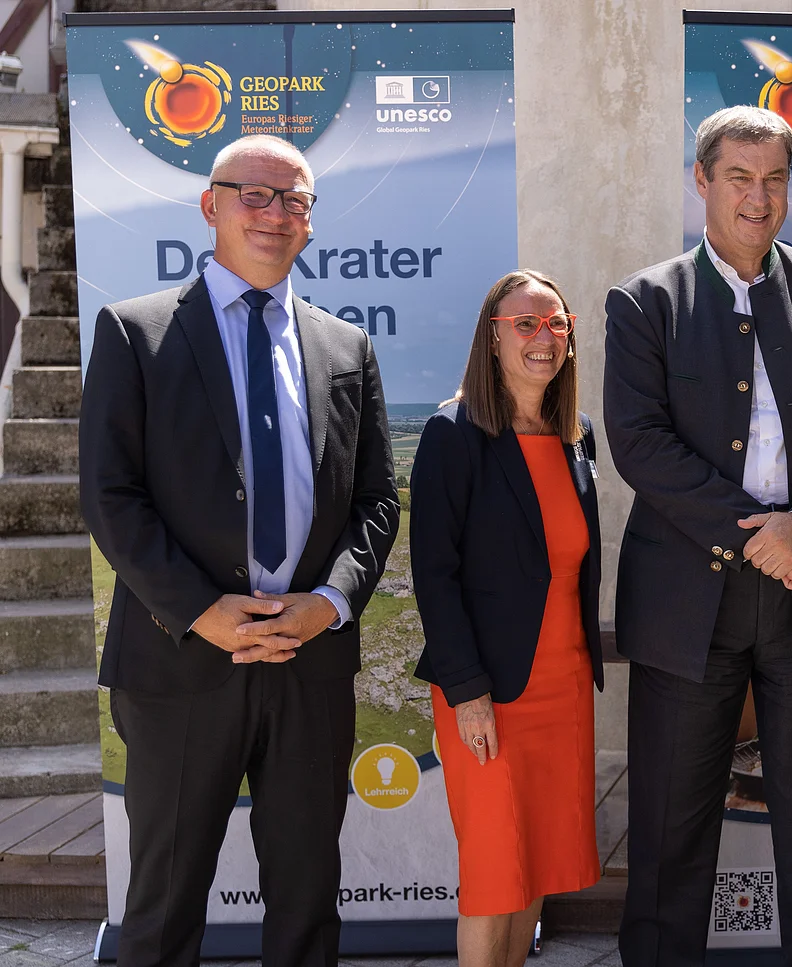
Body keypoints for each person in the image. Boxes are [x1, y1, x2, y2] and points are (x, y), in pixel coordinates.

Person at [78, 134, 399, 967]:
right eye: (253, 194)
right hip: (179, 666)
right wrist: (200, 611)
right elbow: (111, 496)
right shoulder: (134, 332)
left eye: (295, 200)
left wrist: (328, 603)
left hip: (308, 664)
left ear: (310, 224)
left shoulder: (345, 346)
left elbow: (375, 502)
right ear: (209, 205)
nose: (275, 213)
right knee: (163, 905)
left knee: (306, 903)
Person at [604, 105, 792, 967]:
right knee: (671, 815)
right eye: (739, 177)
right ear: (702, 181)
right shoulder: (645, 300)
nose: (757, 197)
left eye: (773, 179)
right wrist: (754, 533)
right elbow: (638, 441)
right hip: (690, 600)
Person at [410, 270, 604, 967]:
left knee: (537, 870)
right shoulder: (453, 434)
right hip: (488, 694)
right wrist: (467, 693)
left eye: (556, 323)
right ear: (492, 340)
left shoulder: (575, 434)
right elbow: (434, 574)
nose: (543, 337)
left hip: (563, 686)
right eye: (524, 324)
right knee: (494, 875)